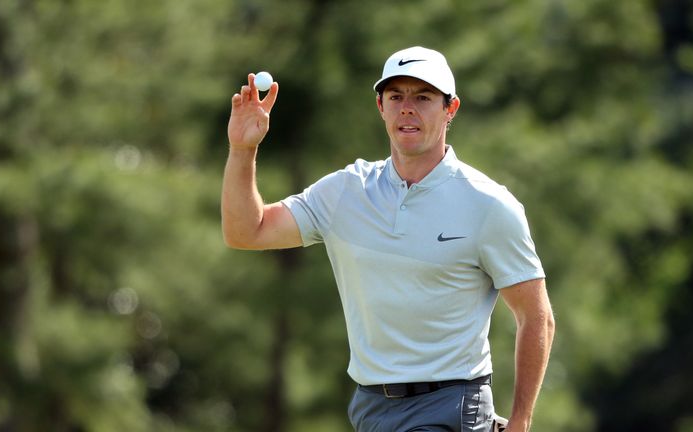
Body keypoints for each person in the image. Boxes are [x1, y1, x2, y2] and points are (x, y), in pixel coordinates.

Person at [222, 46, 555, 432]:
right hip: (370, 407)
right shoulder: (346, 191)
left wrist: (521, 422)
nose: (407, 108)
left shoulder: (489, 204)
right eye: (396, 96)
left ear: (451, 109)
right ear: (380, 106)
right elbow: (247, 231)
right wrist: (242, 150)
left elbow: (536, 317)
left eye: (424, 97)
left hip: (451, 405)